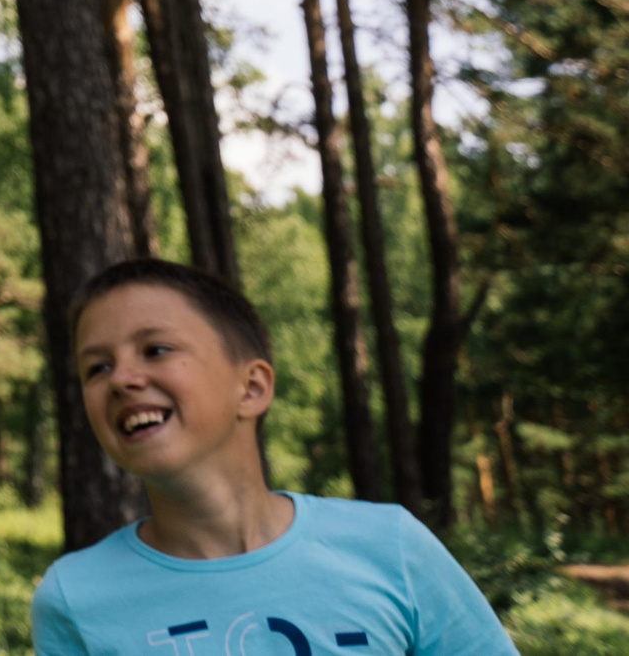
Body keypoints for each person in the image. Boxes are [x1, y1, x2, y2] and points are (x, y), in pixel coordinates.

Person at [36, 258, 517, 656]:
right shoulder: (75, 597)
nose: (122, 379)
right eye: (96, 367)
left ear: (252, 387)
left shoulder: (390, 546)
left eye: (155, 349)